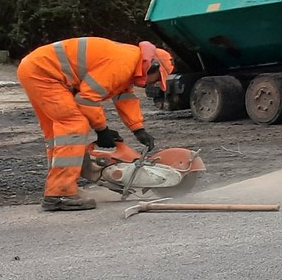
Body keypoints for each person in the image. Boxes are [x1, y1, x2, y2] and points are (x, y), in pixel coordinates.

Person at [16, 38, 173, 211]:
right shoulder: (123, 64)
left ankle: (60, 187)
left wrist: (138, 128)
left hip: (38, 70)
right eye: (157, 79)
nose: (153, 84)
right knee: (74, 126)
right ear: (153, 66)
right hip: (45, 74)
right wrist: (102, 130)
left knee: (57, 135)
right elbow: (86, 99)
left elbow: (124, 97)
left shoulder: (130, 61)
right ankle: (60, 194)